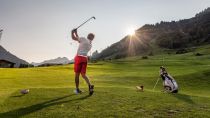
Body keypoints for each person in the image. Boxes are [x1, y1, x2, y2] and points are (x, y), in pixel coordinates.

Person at [71, 28, 94, 95]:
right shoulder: (90, 44)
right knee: (83, 75)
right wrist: (76, 33)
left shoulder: (84, 39)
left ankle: (77, 89)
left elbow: (74, 38)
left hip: (79, 58)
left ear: (87, 36)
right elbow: (79, 40)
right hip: (85, 59)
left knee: (77, 75)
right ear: (92, 38)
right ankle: (90, 85)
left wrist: (72, 32)